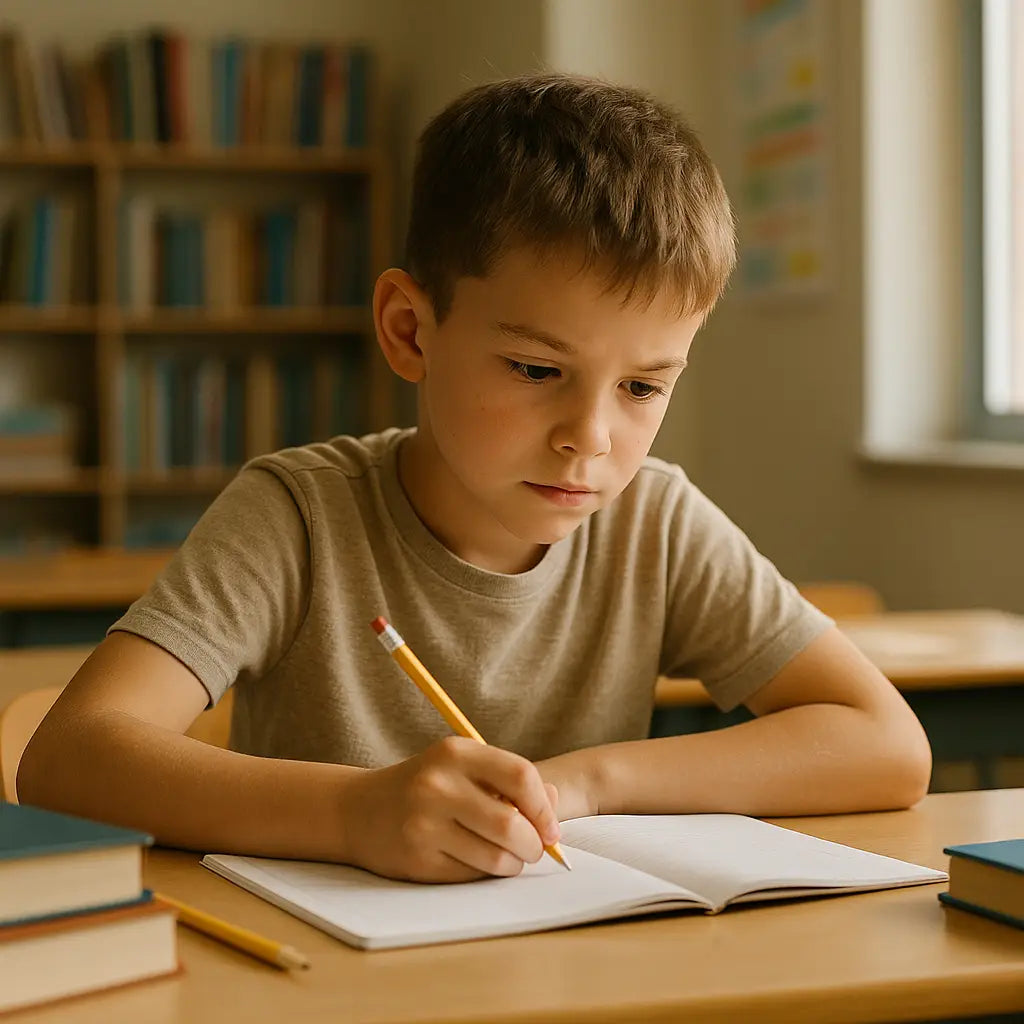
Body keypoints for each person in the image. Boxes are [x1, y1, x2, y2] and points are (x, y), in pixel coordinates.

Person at [19, 73, 931, 884]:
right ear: (411, 332)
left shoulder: (656, 520)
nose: (591, 438)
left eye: (644, 385)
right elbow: (70, 757)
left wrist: (582, 785)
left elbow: (886, 747)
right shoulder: (297, 514)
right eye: (536, 371)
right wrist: (353, 814)